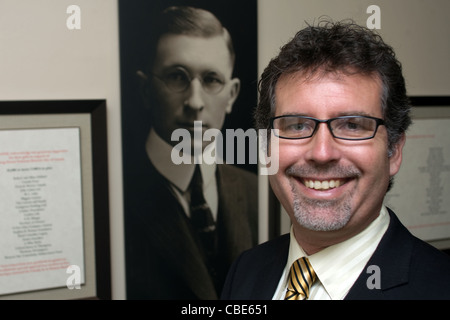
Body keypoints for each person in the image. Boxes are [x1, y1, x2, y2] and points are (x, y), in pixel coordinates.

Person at [221, 20, 450, 300]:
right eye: (296, 126)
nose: (322, 153)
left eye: (352, 125)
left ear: (394, 151)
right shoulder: (247, 270)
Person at [125, 6, 258, 299]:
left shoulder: (259, 192)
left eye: (211, 80)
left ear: (232, 95)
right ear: (145, 90)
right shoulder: (116, 197)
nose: (195, 102)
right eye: (177, 77)